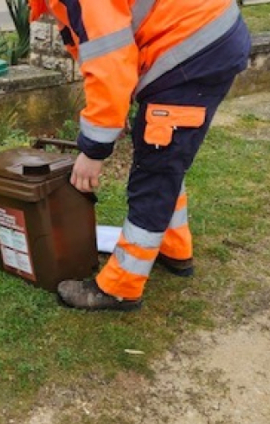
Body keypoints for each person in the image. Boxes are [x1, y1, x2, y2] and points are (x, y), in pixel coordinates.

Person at [29, 0, 252, 311]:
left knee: (155, 175)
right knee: (164, 162)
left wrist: (93, 150)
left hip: (190, 52)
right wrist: (113, 114)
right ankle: (174, 248)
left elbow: (109, 65)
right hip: (200, 42)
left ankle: (121, 286)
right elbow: (104, 53)